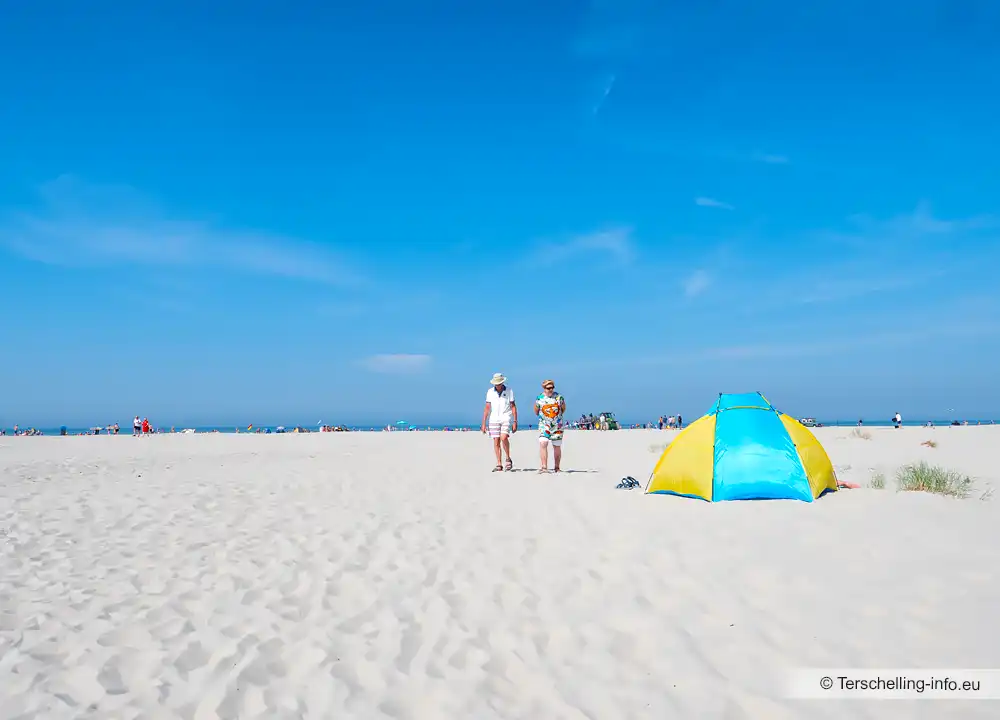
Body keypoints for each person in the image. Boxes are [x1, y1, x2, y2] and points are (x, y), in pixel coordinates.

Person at [481, 373, 517, 471]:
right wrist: (483, 423)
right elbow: (487, 407)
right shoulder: (490, 392)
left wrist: (515, 421)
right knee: (496, 440)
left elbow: (513, 406)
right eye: (496, 383)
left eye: (499, 383)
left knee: (504, 437)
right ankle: (499, 464)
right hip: (493, 418)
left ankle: (508, 458)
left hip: (506, 416)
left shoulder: (509, 391)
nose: (498, 385)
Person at [534, 379, 566, 473]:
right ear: (544, 388)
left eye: (552, 388)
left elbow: (563, 409)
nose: (550, 390)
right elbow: (536, 410)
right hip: (545, 425)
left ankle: (557, 467)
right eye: (548, 388)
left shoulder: (559, 397)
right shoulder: (539, 398)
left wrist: (556, 418)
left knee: (556, 446)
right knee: (543, 443)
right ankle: (544, 467)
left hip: (557, 426)